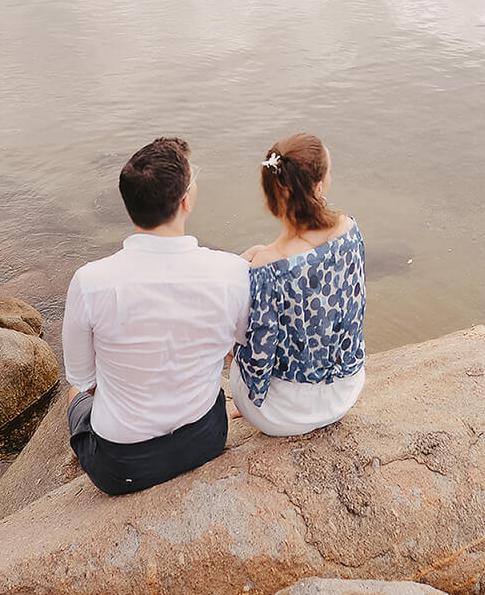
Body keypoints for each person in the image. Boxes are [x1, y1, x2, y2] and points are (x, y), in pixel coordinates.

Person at [62, 137, 249, 495]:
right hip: (206, 440)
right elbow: (242, 348)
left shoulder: (89, 282)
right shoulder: (231, 271)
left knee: (74, 391)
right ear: (185, 201)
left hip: (121, 468)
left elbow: (85, 379)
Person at [230, 133, 366, 436]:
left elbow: (258, 356)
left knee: (237, 333)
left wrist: (245, 270)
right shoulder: (349, 230)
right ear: (318, 187)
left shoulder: (266, 267)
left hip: (282, 416)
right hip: (345, 391)